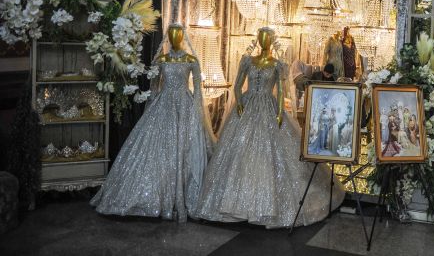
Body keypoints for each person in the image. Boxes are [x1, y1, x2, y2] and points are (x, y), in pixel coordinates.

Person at [195, 27, 344, 228]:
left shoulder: (277, 64)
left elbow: (281, 91)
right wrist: (239, 102)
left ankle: (264, 204)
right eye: (261, 37)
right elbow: (238, 85)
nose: (263, 40)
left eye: (267, 38)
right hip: (246, 107)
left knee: (271, 153)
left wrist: (280, 112)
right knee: (238, 151)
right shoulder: (247, 60)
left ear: (271, 41)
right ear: (258, 39)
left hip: (269, 107)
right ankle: (233, 203)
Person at [91, 23, 214, 222]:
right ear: (169, 37)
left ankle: (182, 195)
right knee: (157, 147)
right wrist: (151, 108)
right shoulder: (161, 59)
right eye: (172, 34)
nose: (175, 37)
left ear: (182, 37)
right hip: (163, 104)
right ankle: (152, 196)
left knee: (184, 148)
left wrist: (197, 112)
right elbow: (155, 88)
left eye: (178, 34)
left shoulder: (192, 60)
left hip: (184, 105)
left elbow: (198, 90)